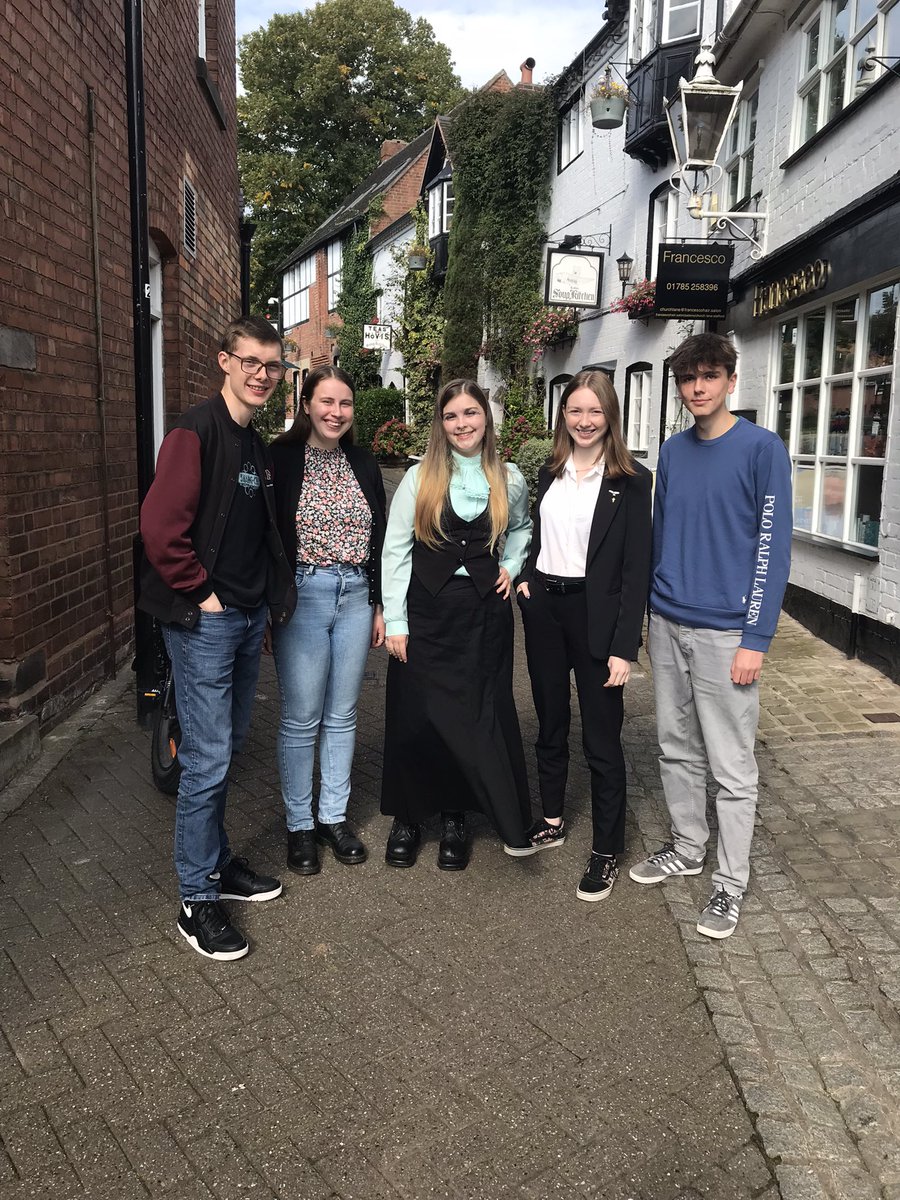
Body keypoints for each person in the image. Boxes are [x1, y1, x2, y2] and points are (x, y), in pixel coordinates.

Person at [139, 315, 296, 962]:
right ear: (225, 361)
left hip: (243, 619)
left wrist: (259, 608)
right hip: (205, 621)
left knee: (223, 750)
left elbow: (255, 534)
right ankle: (195, 899)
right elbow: (159, 528)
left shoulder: (254, 443)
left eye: (273, 365)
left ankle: (219, 861)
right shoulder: (193, 431)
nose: (263, 374)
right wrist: (203, 596)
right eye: (251, 362)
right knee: (205, 760)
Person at [629, 333, 791, 939]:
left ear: (729, 380)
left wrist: (758, 636)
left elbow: (773, 549)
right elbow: (663, 533)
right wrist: (650, 617)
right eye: (688, 379)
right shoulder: (672, 451)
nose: (697, 388)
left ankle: (728, 885)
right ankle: (687, 846)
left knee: (731, 765)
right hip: (669, 620)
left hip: (729, 633)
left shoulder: (761, 449)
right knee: (674, 746)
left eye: (709, 376)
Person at [509, 371, 652, 903]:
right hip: (545, 609)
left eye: (595, 412)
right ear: (563, 416)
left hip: (598, 621)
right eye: (575, 411)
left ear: (609, 416)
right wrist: (525, 577)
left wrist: (624, 647)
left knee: (601, 740)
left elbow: (637, 570)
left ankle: (607, 850)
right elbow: (536, 532)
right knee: (549, 722)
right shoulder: (550, 471)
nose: (585, 421)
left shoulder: (632, 480)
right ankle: (551, 820)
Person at [380, 379, 533, 868]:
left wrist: (510, 563)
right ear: (440, 424)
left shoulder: (509, 478)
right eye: (451, 416)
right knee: (414, 715)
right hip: (426, 610)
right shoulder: (419, 477)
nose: (462, 423)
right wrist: (397, 620)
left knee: (471, 716)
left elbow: (524, 527)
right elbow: (396, 550)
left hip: (483, 613)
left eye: (470, 413)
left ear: (485, 419)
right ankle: (407, 816)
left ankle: (454, 816)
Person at [269, 367, 386, 875]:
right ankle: (298, 824)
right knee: (301, 718)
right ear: (307, 404)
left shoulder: (362, 461)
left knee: (343, 714)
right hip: (304, 595)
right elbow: (266, 536)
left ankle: (332, 818)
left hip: (356, 594)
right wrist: (272, 607)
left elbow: (380, 536)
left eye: (345, 403)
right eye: (327, 402)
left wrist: (379, 601)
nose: (336, 412)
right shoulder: (280, 458)